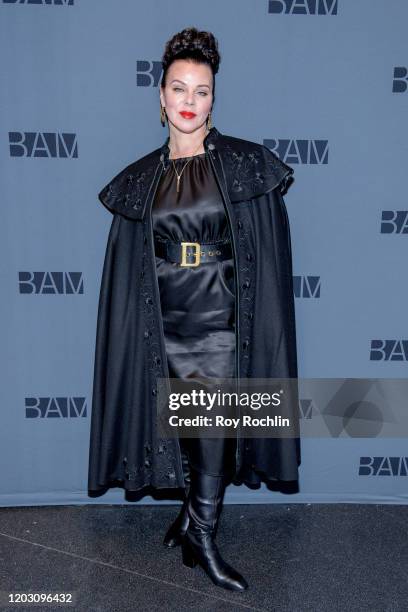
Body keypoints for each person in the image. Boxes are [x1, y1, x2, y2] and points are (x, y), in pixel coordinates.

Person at [88, 27, 301, 593]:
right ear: (159, 97)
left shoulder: (243, 165)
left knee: (214, 426)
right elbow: (128, 266)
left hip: (222, 316)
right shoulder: (140, 179)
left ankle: (202, 530)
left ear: (213, 97)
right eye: (178, 89)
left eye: (201, 90)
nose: (188, 101)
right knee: (183, 426)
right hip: (164, 316)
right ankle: (190, 517)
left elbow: (265, 249)